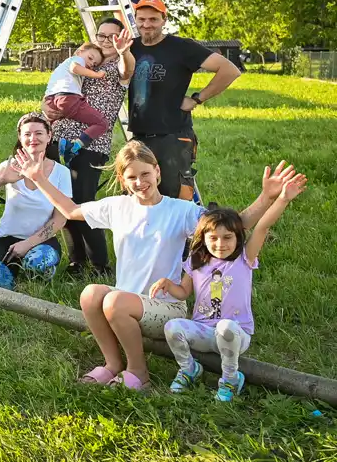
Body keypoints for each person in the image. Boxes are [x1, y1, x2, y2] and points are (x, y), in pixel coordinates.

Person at [18, 142, 295, 390]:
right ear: (123, 180)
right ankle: (113, 364)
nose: (140, 182)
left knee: (114, 302)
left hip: (164, 307)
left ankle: (139, 372)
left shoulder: (181, 211)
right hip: (124, 300)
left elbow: (235, 225)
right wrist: (39, 178)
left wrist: (267, 197)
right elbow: (70, 211)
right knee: (90, 294)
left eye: (145, 174)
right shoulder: (117, 206)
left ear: (158, 172)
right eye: (132, 177)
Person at [153, 174, 306, 401]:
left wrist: (282, 198)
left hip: (236, 333)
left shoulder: (244, 258)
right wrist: (168, 285)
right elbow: (184, 293)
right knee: (172, 327)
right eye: (213, 237)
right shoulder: (196, 260)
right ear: (203, 238)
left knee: (225, 327)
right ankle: (189, 369)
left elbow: (262, 227)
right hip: (204, 330)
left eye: (227, 238)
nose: (220, 244)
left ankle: (230, 379)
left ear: (238, 238)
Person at [128, 0, 242, 200]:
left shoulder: (182, 47)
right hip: (140, 136)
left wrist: (198, 99)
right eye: (142, 19)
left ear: (164, 19)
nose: (147, 25)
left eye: (153, 19)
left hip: (174, 136)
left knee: (176, 199)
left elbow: (229, 70)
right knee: (140, 197)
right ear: (135, 20)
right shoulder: (130, 47)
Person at [52, 19, 134, 278]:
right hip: (60, 137)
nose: (106, 40)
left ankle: (100, 265)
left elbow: (127, 69)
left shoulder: (116, 67)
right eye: (102, 35)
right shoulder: (85, 61)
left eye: (113, 36)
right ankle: (76, 261)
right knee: (64, 200)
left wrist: (124, 52)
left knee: (85, 203)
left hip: (91, 143)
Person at [0, 114, 72, 289]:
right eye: (27, 134)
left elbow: (60, 219)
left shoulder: (61, 173)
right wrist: (3, 178)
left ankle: (38, 274)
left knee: (37, 264)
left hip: (41, 240)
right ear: (20, 138)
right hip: (6, 238)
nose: (33, 139)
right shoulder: (11, 165)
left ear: (49, 136)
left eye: (39, 133)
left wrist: (27, 244)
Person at [41, 42, 109, 164]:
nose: (90, 64)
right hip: (67, 98)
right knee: (102, 123)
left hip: (49, 101)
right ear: (79, 51)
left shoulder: (61, 67)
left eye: (94, 65)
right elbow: (75, 68)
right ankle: (73, 146)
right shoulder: (76, 60)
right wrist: (97, 74)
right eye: (90, 58)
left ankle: (49, 146)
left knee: (49, 126)